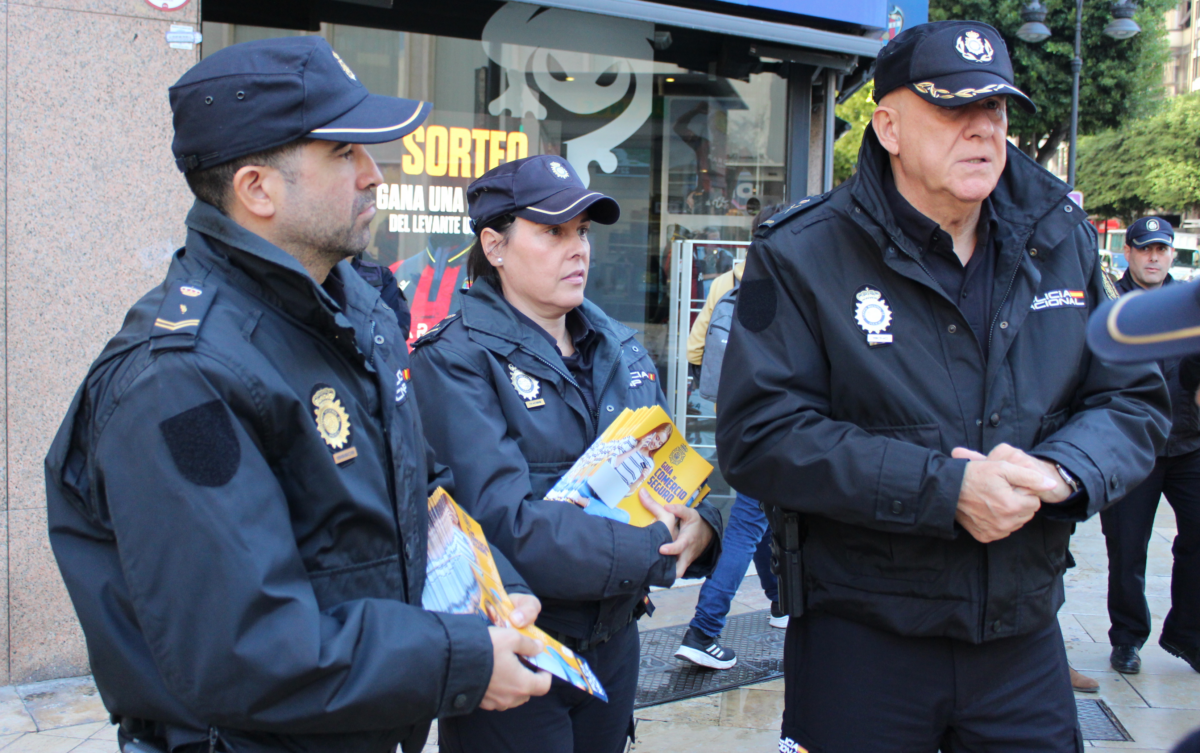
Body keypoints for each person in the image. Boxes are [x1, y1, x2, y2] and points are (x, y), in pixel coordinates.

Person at [43, 37, 551, 753]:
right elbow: (247, 647)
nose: (375, 174)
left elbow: (418, 488)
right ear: (257, 189)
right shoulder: (180, 377)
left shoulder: (354, 309)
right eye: (345, 153)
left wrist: (492, 589)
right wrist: (459, 659)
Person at [716, 20, 1170, 752]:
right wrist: (942, 490)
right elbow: (760, 435)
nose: (983, 128)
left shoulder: (1060, 237)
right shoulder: (802, 252)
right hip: (863, 641)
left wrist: (1063, 471)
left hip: (1022, 637)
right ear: (889, 127)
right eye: (954, 108)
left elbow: (1132, 397)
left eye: (995, 108)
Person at [409, 154, 722, 753]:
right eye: (552, 232)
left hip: (615, 646)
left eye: (581, 231)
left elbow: (675, 472)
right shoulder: (454, 360)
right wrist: (655, 550)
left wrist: (703, 529)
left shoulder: (620, 348)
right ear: (495, 247)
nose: (577, 248)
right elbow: (504, 523)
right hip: (521, 653)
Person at [676, 203, 787, 671]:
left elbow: (695, 347)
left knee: (754, 510)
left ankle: (779, 601)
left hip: (731, 419)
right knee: (747, 521)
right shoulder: (790, 285)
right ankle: (704, 629)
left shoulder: (728, 282)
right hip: (771, 424)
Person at [1092, 218, 1200, 676]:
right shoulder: (1108, 302)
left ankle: (1188, 635)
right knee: (1127, 548)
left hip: (1189, 442)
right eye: (1144, 249)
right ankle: (1127, 638)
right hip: (1132, 446)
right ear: (1129, 253)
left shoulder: (1190, 302)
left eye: (1161, 249)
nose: (1153, 257)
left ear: (1172, 254)